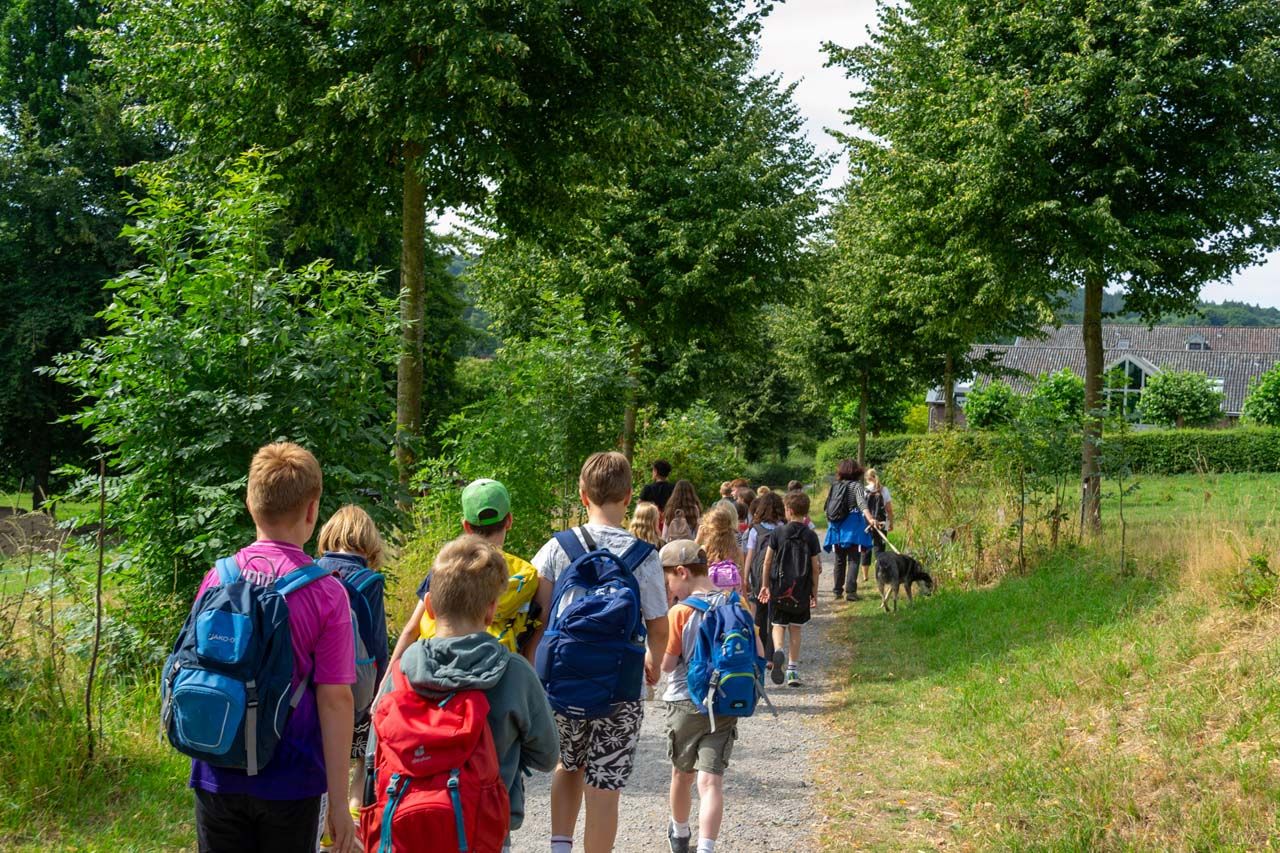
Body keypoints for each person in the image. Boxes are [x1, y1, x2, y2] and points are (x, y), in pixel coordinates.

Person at [188, 443, 358, 853]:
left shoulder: (217, 577)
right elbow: (335, 702)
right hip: (293, 780)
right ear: (312, 511)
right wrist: (339, 803)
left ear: (250, 503)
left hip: (216, 772)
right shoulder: (326, 593)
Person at [369, 535, 559, 853]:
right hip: (484, 832)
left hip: (409, 833)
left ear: (429, 606)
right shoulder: (513, 672)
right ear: (491, 612)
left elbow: (377, 753)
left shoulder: (403, 671)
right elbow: (547, 755)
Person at [527, 452, 670, 853]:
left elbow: (541, 616)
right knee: (604, 785)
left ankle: (559, 847)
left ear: (582, 493)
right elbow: (659, 626)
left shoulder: (558, 548)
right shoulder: (645, 556)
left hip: (562, 681)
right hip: (620, 686)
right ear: (628, 497)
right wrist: (652, 663)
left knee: (567, 764)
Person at [659, 540, 759, 853]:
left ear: (681, 572)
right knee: (711, 781)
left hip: (685, 702)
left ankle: (679, 833)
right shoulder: (736, 603)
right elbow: (759, 653)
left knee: (681, 773)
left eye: (669, 582)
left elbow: (667, 665)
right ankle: (706, 847)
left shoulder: (680, 611)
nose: (669, 589)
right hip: (725, 702)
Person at [389, 478, 540, 667]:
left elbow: (412, 629)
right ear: (509, 521)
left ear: (466, 525)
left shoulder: (449, 566)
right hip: (496, 669)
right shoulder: (528, 577)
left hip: (438, 664)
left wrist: (384, 685)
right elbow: (532, 638)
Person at [315, 505, 388, 827]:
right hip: (359, 690)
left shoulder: (312, 572)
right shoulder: (370, 581)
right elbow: (377, 644)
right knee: (361, 760)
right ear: (367, 540)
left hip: (319, 685)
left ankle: (325, 820)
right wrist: (381, 692)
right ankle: (352, 825)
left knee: (325, 757)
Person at [759, 490, 822, 688]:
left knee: (778, 625)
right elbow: (814, 568)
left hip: (780, 589)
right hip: (800, 591)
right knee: (796, 629)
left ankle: (779, 650)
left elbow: (767, 561)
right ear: (805, 512)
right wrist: (814, 593)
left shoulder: (778, 533)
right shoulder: (811, 535)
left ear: (788, 510)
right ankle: (793, 670)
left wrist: (765, 586)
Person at [742, 491, 785, 679]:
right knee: (774, 616)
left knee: (759, 615)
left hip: (759, 577)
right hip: (778, 576)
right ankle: (770, 655)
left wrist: (745, 577)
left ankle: (758, 654)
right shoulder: (783, 527)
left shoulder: (755, 529)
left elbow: (750, 556)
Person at [823, 458, 875, 601]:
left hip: (837, 526)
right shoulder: (856, 486)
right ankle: (851, 592)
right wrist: (870, 518)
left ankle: (837, 591)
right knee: (853, 559)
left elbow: (827, 506)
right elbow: (862, 503)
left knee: (839, 559)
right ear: (856, 470)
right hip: (853, 525)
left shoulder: (835, 485)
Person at [695, 503, 742, 592]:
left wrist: (698, 539)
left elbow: (689, 560)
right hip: (731, 600)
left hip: (710, 598)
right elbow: (742, 578)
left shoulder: (704, 550)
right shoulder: (735, 549)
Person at [863, 468, 895, 582]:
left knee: (865, 548)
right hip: (882, 523)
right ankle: (880, 574)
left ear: (867, 478)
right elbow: (889, 509)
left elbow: (862, 509)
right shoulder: (884, 490)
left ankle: (865, 576)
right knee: (880, 549)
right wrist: (890, 523)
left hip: (866, 523)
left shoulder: (864, 490)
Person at [663, 479, 702, 544]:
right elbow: (697, 531)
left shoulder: (670, 508)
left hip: (672, 544)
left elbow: (665, 533)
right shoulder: (694, 508)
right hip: (689, 544)